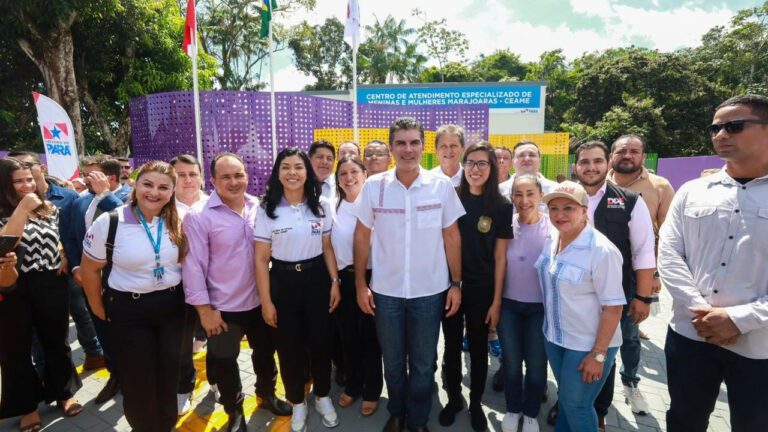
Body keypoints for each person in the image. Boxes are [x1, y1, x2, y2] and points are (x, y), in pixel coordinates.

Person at [659, 94, 768, 432]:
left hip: (759, 344)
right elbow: (669, 252)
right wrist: (701, 313)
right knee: (683, 418)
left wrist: (739, 319)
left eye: (734, 126)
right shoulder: (692, 191)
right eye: (715, 127)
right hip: (691, 333)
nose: (721, 134)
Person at [354, 117, 465, 432]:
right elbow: (362, 236)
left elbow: (452, 236)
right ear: (391, 149)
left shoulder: (440, 186)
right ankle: (397, 411)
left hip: (430, 293)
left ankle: (417, 420)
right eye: (400, 143)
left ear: (422, 147)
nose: (407, 149)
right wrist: (360, 284)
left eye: (414, 142)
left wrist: (456, 284)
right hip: (386, 292)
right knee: (392, 360)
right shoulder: (374, 186)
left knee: (422, 363)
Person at [183, 152, 292, 431]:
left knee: (266, 354)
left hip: (261, 301)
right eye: (226, 177)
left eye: (239, 175)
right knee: (224, 363)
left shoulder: (259, 207)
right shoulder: (199, 216)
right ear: (213, 181)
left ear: (247, 175)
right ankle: (235, 412)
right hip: (223, 307)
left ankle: (266, 394)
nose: (234, 182)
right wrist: (204, 311)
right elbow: (193, 266)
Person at [79, 161, 186, 431]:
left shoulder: (180, 218)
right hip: (129, 309)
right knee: (139, 380)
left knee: (168, 375)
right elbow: (90, 270)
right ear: (135, 185)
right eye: (147, 184)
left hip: (173, 307)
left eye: (163, 187)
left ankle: (166, 426)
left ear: (172, 191)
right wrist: (97, 307)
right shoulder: (110, 221)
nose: (154, 192)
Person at [254, 147, 341, 432]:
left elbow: (327, 248)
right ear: (278, 173)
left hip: (316, 280)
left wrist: (335, 282)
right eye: (286, 167)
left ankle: (323, 397)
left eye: (298, 167)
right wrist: (266, 301)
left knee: (320, 343)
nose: (292, 173)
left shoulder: (321, 206)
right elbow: (261, 259)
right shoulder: (267, 208)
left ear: (307, 172)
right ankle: (298, 403)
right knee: (288, 348)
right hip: (283, 283)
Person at [570, 141, 656, 428]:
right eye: (584, 162)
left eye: (596, 161)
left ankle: (599, 410)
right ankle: (570, 401)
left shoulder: (630, 200)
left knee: (604, 352)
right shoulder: (564, 197)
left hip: (614, 297)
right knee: (572, 351)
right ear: (575, 167)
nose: (590, 167)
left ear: (607, 164)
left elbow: (643, 251)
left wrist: (643, 298)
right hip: (572, 296)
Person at [0, 157, 82, 432]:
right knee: (16, 350)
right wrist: (22, 208)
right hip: (12, 286)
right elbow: (4, 245)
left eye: (30, 179)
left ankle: (63, 393)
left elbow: (53, 237)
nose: (27, 185)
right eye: (19, 181)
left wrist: (61, 254)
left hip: (50, 282)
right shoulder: (5, 210)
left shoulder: (49, 208)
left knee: (56, 342)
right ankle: (27, 407)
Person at [538, 181, 625, 432]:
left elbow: (614, 308)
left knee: (577, 406)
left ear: (584, 210)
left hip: (587, 345)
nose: (559, 214)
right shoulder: (553, 238)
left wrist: (598, 355)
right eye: (553, 208)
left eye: (568, 208)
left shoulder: (601, 250)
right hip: (555, 338)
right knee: (566, 400)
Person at [7, 151, 105, 371]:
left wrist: (67, 258)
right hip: (22, 281)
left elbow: (70, 233)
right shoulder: (11, 204)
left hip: (63, 271)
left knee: (79, 315)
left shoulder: (65, 197)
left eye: (27, 168)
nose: (24, 178)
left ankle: (94, 355)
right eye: (17, 173)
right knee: (36, 336)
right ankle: (44, 374)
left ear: (40, 168)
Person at [439, 142, 513, 431]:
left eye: (483, 163)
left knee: (479, 348)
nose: (475, 169)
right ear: (463, 164)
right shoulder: (452, 197)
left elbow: (500, 257)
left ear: (492, 168)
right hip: (451, 285)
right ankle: (454, 398)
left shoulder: (502, 206)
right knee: (452, 345)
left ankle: (475, 402)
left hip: (483, 287)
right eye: (471, 162)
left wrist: (496, 302)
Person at [62, 155, 129, 404]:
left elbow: (130, 222)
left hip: (124, 284)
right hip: (91, 283)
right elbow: (70, 237)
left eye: (91, 174)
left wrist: (105, 196)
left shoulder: (132, 196)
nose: (84, 179)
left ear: (109, 177)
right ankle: (115, 376)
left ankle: (135, 377)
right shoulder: (80, 202)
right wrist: (77, 267)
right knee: (101, 328)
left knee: (128, 332)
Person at [607, 134, 676, 340]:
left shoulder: (659, 186)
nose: (627, 155)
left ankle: (629, 372)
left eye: (634, 151)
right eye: (621, 151)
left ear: (643, 156)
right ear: (611, 156)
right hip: (603, 269)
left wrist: (655, 274)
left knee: (630, 333)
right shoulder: (598, 183)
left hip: (638, 271)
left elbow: (668, 234)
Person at [498, 174, 551, 432]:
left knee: (537, 363)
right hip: (508, 305)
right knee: (510, 360)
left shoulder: (553, 228)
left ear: (540, 195)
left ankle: (530, 412)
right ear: (511, 197)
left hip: (540, 309)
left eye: (530, 193)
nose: (524, 200)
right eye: (518, 194)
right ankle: (513, 408)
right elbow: (498, 266)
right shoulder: (505, 226)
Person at [331, 156, 383, 417]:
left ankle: (373, 389)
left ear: (365, 174)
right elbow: (328, 246)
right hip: (344, 278)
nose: (349, 178)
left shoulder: (375, 203)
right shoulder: (333, 206)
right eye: (343, 174)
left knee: (370, 337)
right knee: (347, 336)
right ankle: (353, 384)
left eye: (354, 172)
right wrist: (335, 281)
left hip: (373, 277)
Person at [170, 154, 210, 415]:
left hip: (214, 287)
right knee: (180, 344)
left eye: (192, 174)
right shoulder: (161, 207)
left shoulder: (215, 205)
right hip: (175, 289)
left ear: (201, 177)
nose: (187, 180)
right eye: (180, 175)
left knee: (216, 341)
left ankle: (218, 381)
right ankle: (183, 387)